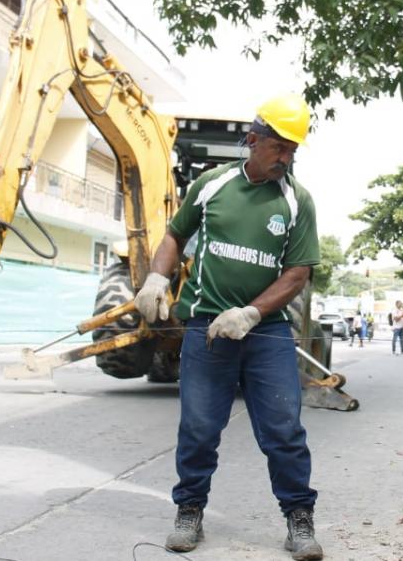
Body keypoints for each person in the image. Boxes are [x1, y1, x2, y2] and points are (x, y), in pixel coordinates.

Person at [134, 93, 324, 560]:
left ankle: (298, 518)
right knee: (199, 427)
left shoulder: (297, 201)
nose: (287, 157)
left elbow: (297, 273)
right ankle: (189, 511)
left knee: (283, 429)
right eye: (279, 147)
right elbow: (175, 234)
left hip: (267, 334)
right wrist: (158, 276)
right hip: (206, 332)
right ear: (253, 140)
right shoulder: (212, 185)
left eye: (293, 150)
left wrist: (250, 314)